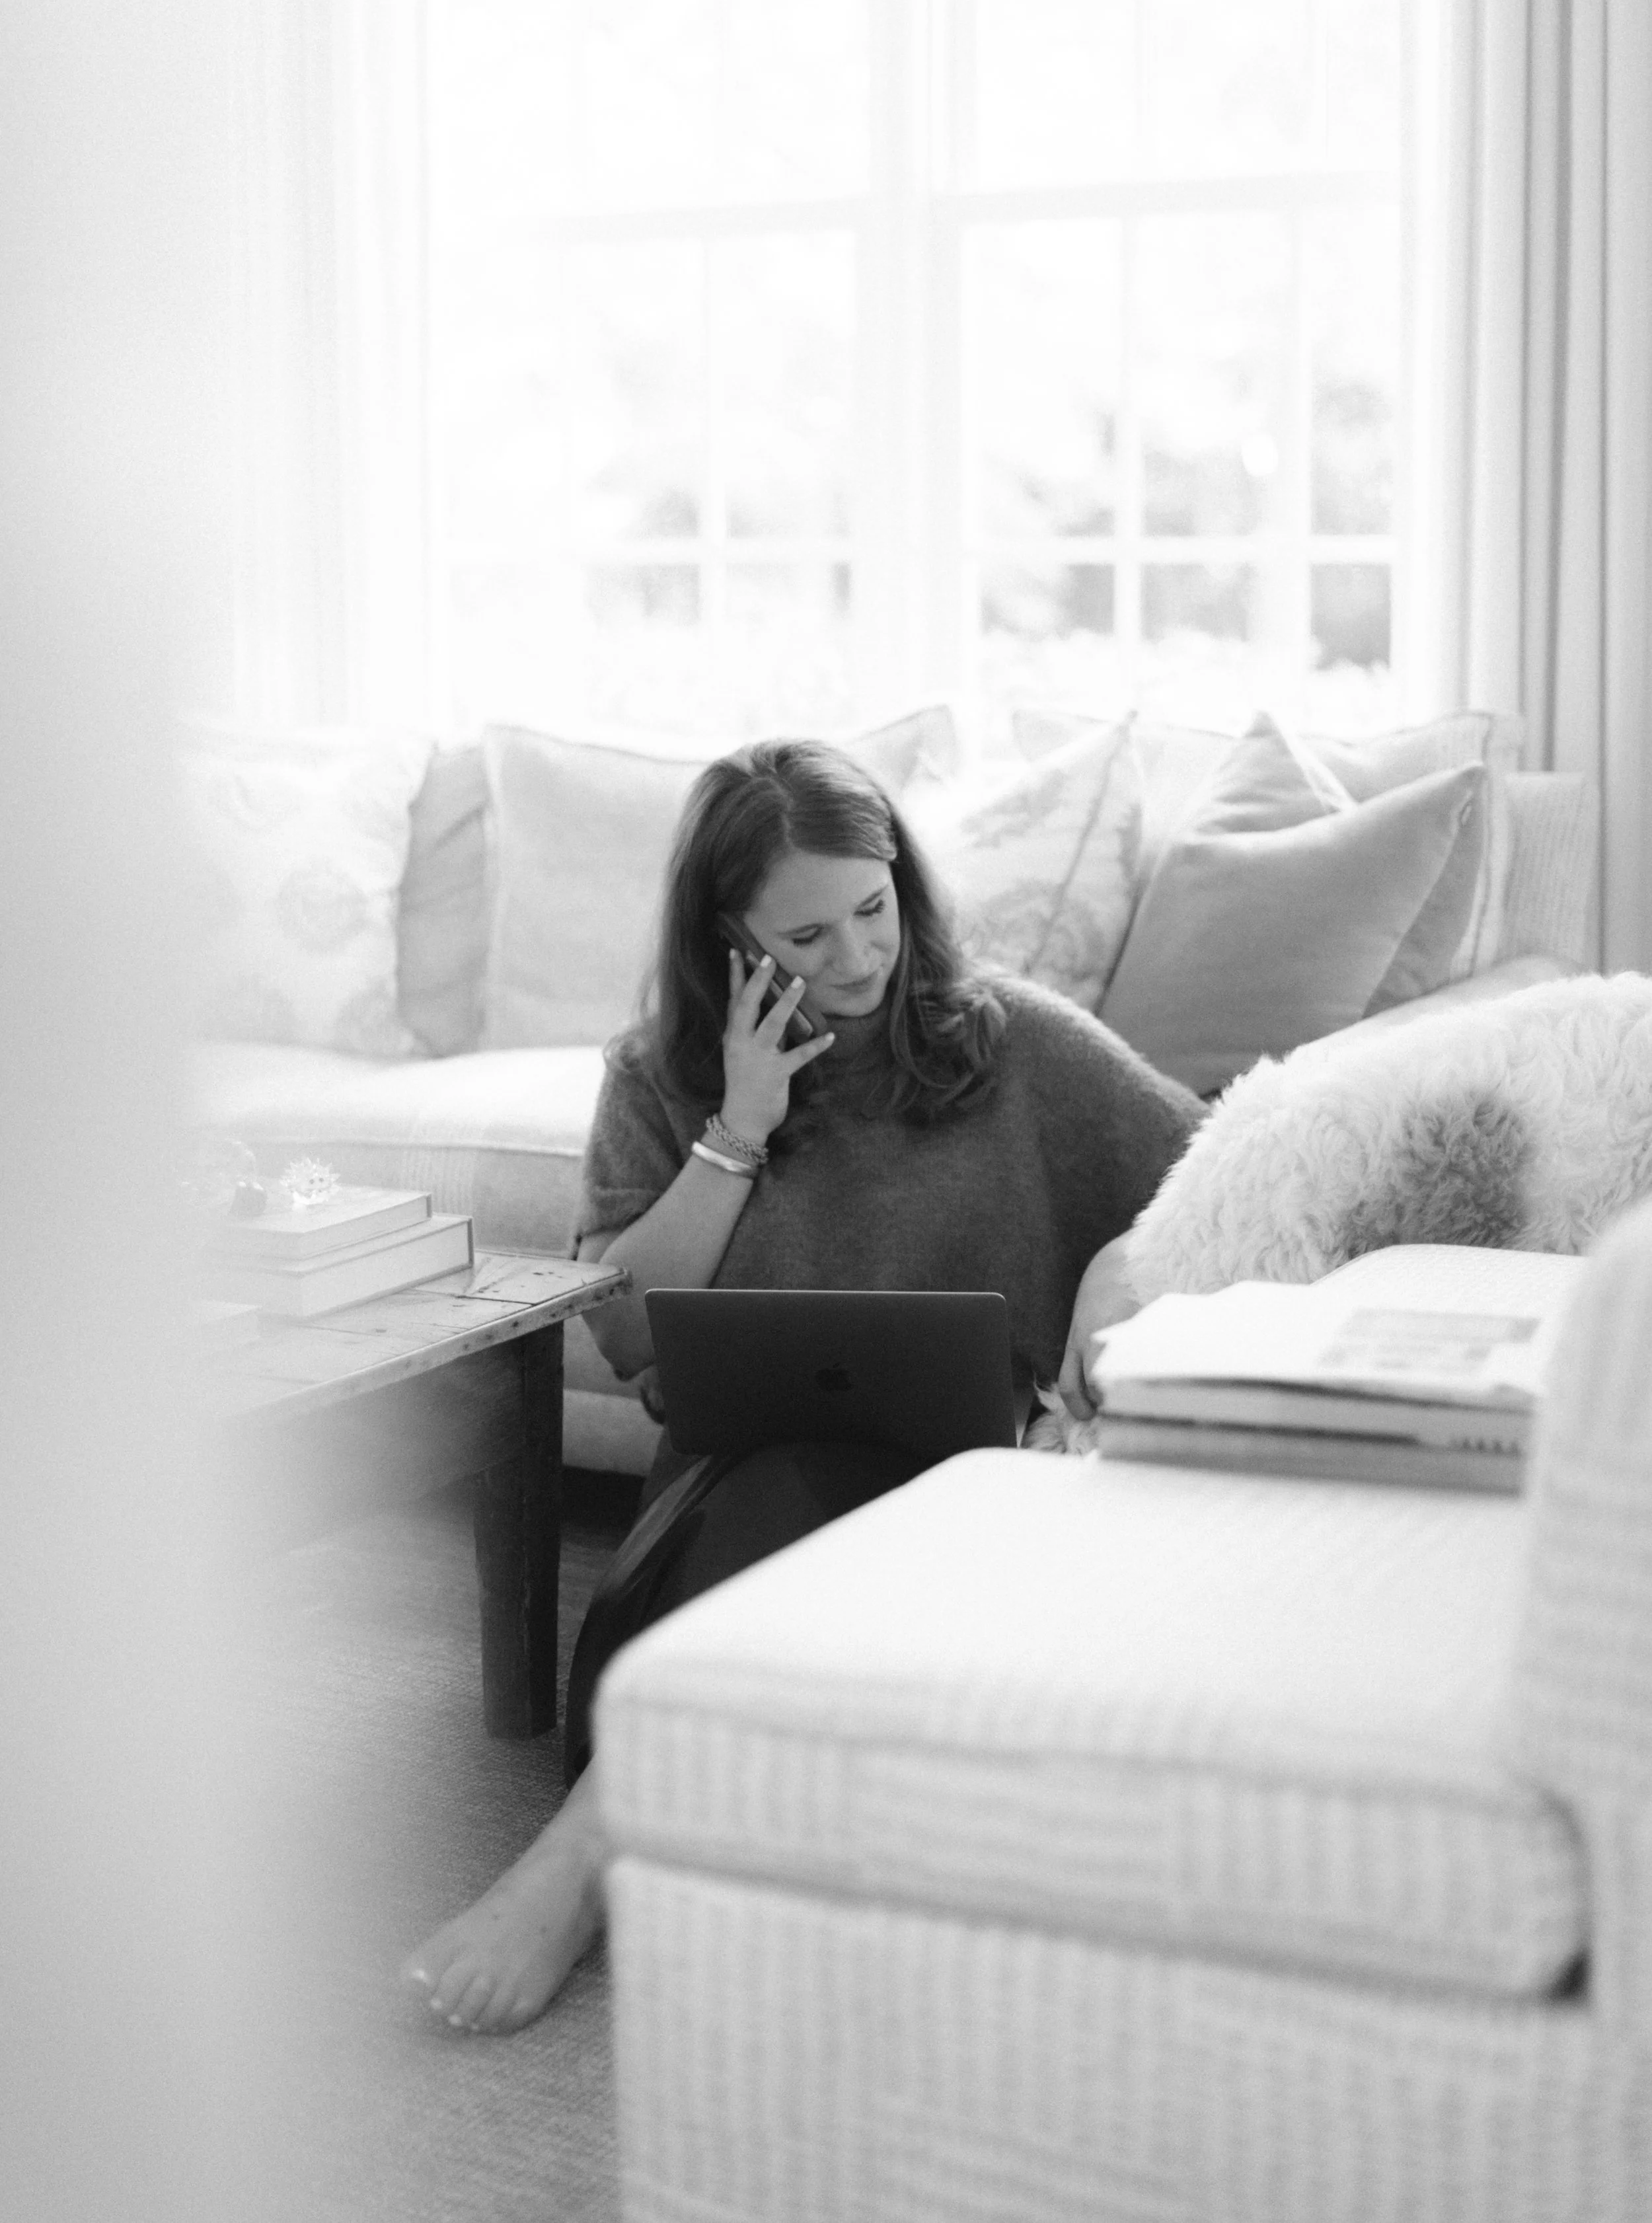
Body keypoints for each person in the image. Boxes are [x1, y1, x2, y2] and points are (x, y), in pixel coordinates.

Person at [401, 738, 1202, 2031]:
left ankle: (598, 1859)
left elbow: (1218, 1170)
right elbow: (629, 1340)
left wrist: (1116, 1261)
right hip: (742, 1510)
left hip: (974, 1513)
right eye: (809, 935)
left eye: (873, 909)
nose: (857, 959)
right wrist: (739, 1128)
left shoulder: (1015, 1049)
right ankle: (581, 1864)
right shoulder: (657, 1079)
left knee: (891, 1533)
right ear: (728, 936)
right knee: (791, 1481)